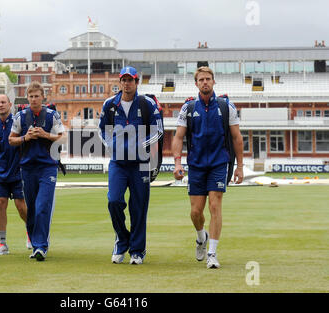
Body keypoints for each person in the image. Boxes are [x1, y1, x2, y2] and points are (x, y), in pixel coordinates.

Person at [172, 66, 244, 269]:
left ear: (213, 82)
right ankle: (200, 237)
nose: (205, 82)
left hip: (219, 163)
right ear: (196, 84)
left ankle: (212, 253)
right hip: (196, 165)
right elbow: (178, 137)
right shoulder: (188, 108)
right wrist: (177, 163)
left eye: (208, 79)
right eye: (201, 79)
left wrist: (240, 166)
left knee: (215, 205)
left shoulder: (225, 106)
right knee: (195, 212)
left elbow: (237, 138)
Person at [99, 66, 163, 265]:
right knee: (114, 201)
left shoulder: (147, 103)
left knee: (139, 207)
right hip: (118, 163)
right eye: (123, 80)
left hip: (141, 163)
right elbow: (102, 131)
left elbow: (159, 130)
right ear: (120, 82)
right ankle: (122, 239)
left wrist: (140, 146)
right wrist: (111, 145)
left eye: (130, 80)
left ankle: (137, 250)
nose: (127, 84)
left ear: (137, 82)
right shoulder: (110, 104)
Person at [8, 81, 65, 261]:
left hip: (47, 167)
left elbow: (63, 139)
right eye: (31, 96)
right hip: (27, 168)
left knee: (42, 206)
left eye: (37, 96)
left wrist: (45, 135)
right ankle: (35, 243)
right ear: (27, 98)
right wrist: (26, 137)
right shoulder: (20, 116)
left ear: (43, 97)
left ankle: (41, 246)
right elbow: (11, 140)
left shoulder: (52, 115)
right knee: (31, 209)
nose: (34, 99)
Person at [0, 94, 30, 255]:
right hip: (1, 170)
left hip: (18, 169)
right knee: (0, 204)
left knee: (20, 205)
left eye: (3, 102)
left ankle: (30, 231)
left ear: (10, 104)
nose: (1, 105)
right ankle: (1, 243)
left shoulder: (19, 122)